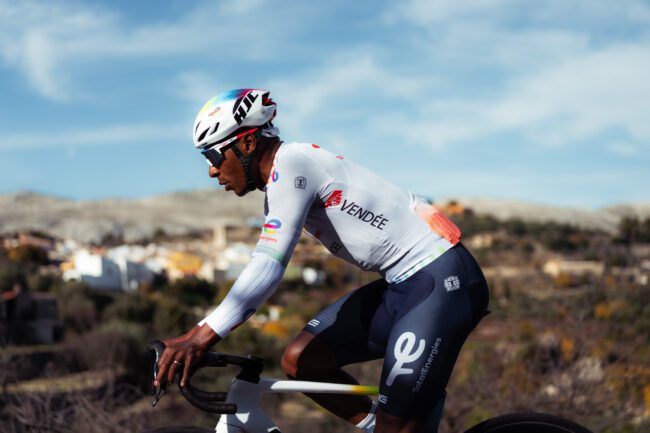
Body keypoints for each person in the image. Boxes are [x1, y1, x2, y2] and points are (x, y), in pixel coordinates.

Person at [154, 88, 490, 433]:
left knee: (396, 426)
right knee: (302, 361)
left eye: (212, 156)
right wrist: (195, 334)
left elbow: (268, 265)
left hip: (441, 281)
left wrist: (200, 338)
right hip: (402, 284)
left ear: (248, 143)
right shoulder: (283, 180)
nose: (212, 171)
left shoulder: (293, 165)